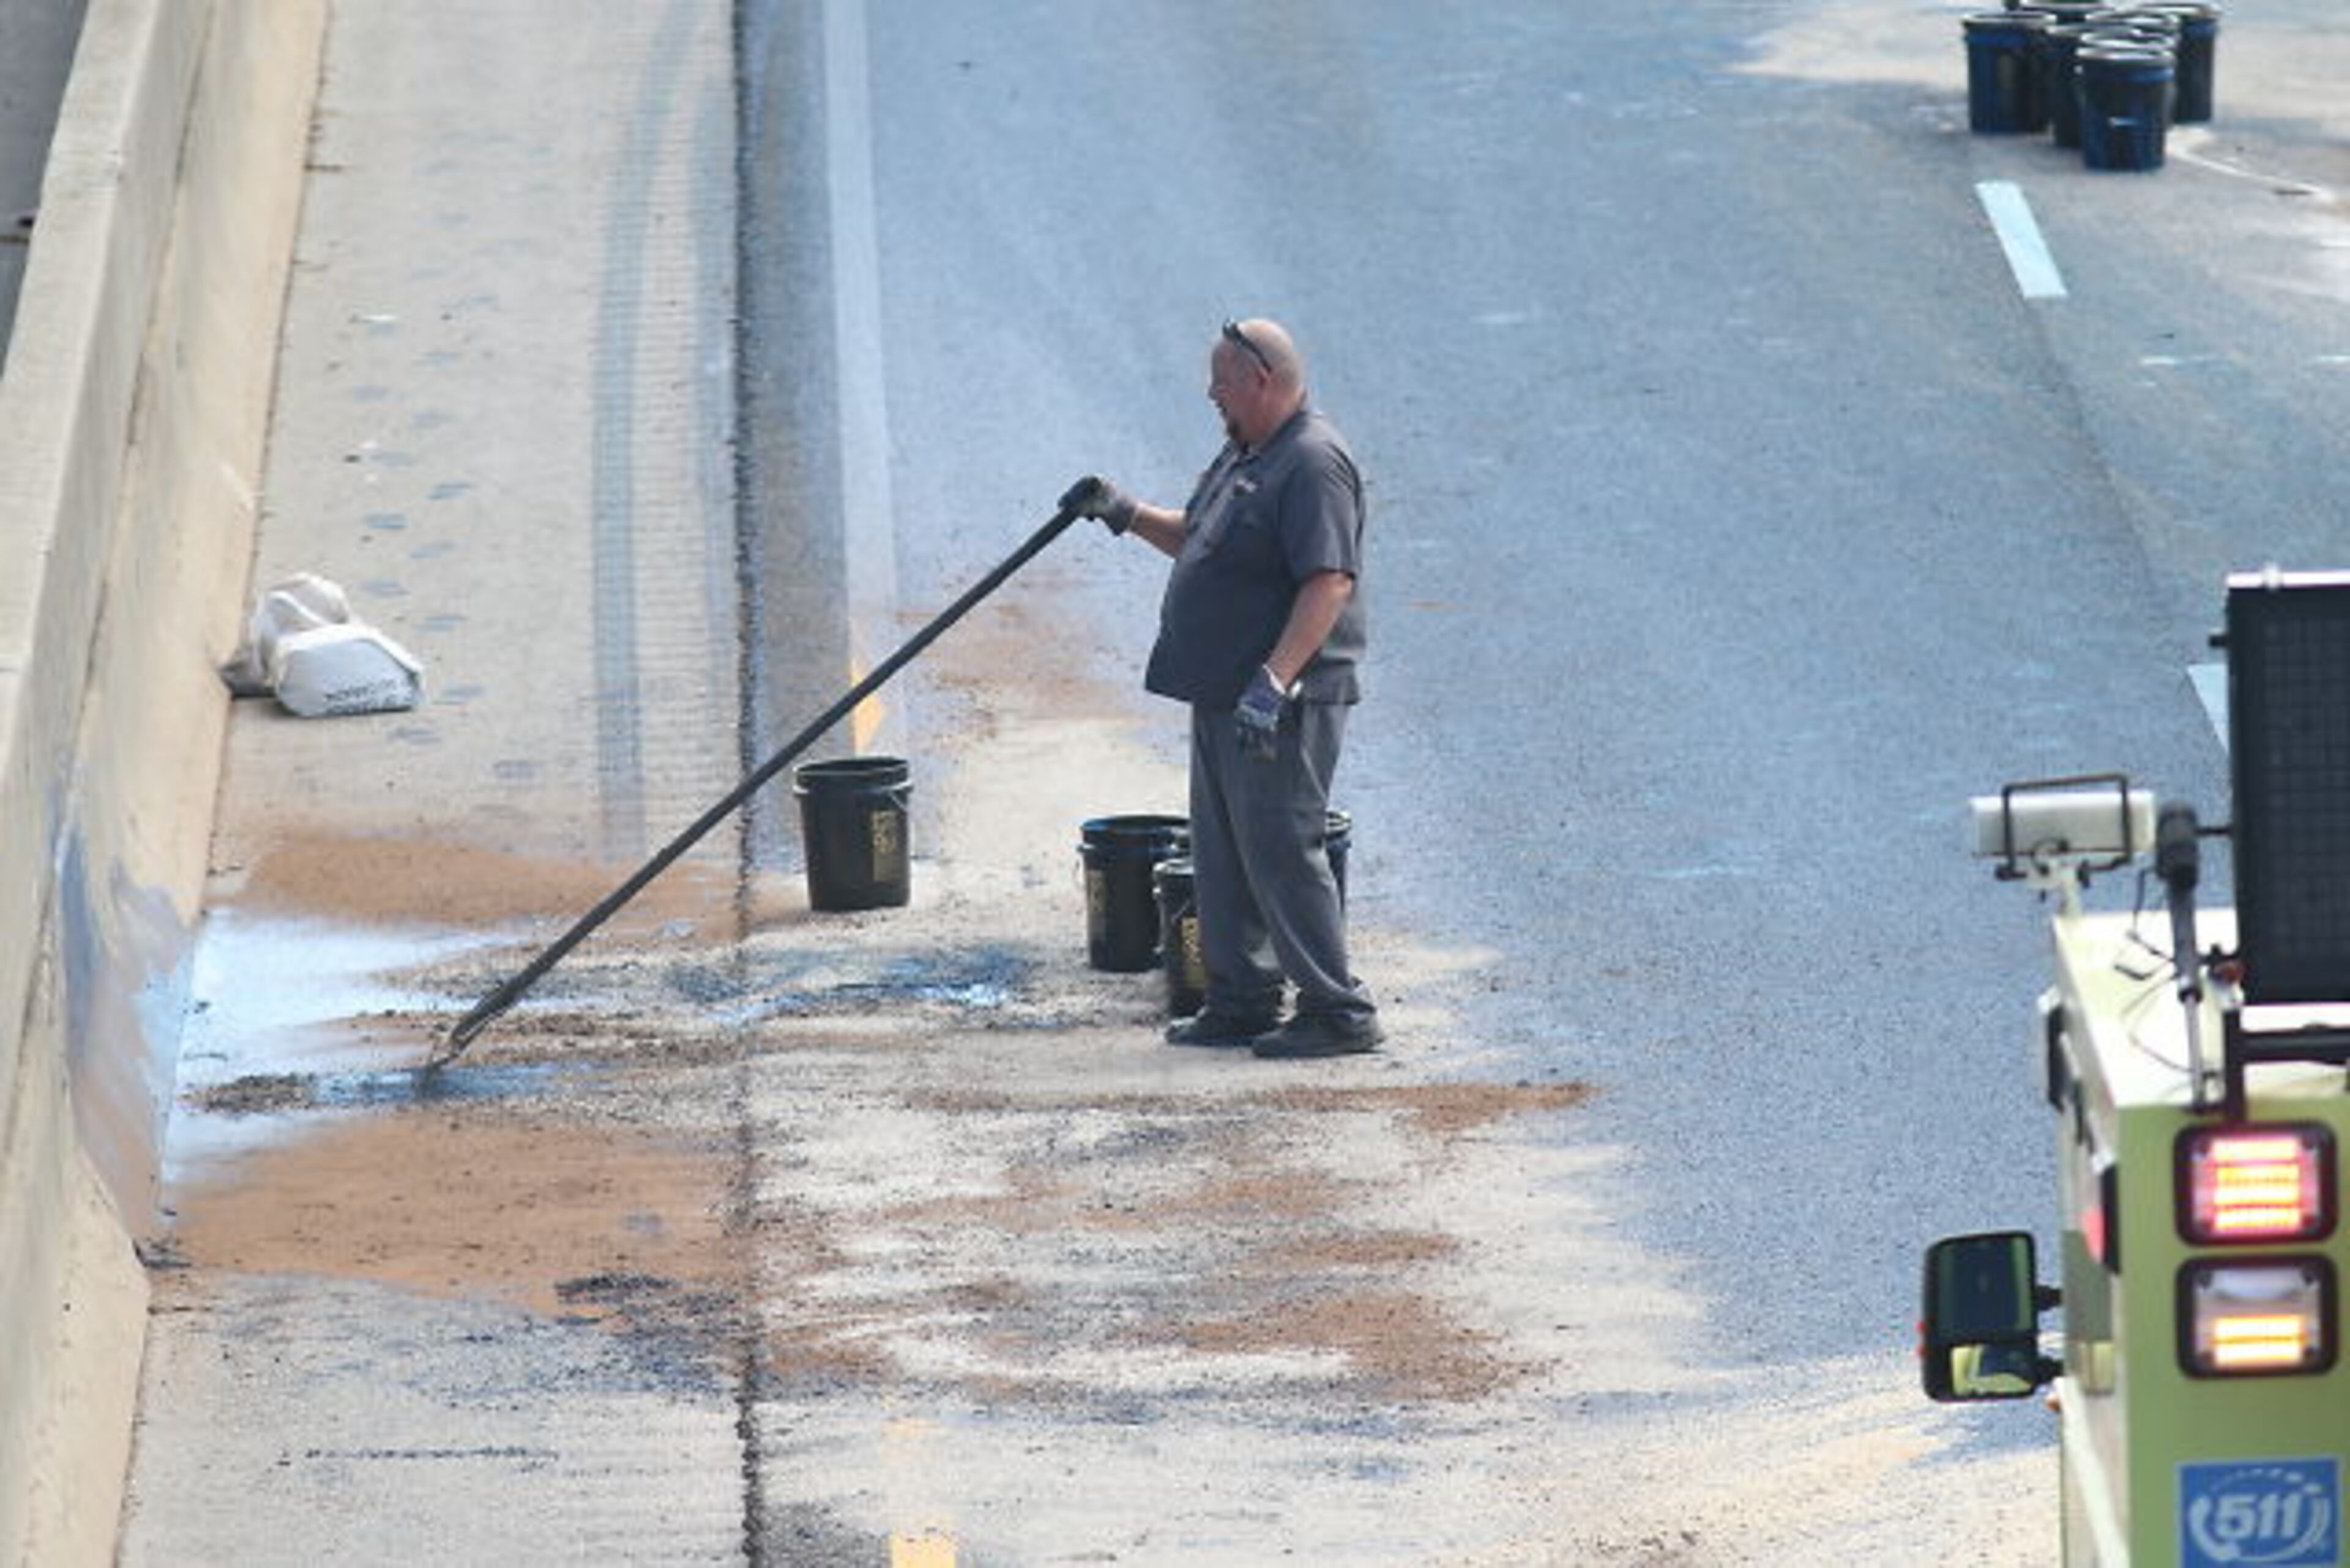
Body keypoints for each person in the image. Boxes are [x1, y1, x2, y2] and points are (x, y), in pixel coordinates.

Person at [1065, 318, 1380, 1059]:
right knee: (1224, 848)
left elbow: (1329, 582)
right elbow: (1199, 536)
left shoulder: (1311, 463)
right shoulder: (1252, 452)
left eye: (1222, 382)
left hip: (1281, 703)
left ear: (1261, 380)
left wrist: (1274, 681)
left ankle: (1338, 1010)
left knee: (1279, 846)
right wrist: (1123, 512)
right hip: (1225, 691)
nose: (1211, 393)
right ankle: (1242, 1000)